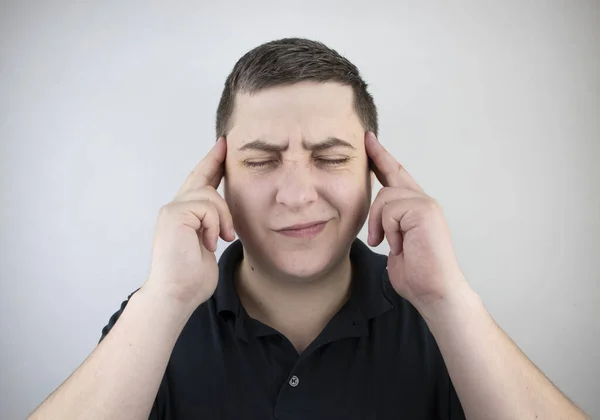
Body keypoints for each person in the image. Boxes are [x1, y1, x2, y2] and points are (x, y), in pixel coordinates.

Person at [29, 38, 588, 420]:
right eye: (260, 160)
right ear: (217, 177)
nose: (297, 195)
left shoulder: (441, 322)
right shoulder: (153, 317)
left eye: (330, 157)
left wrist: (447, 298)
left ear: (375, 173)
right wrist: (164, 299)